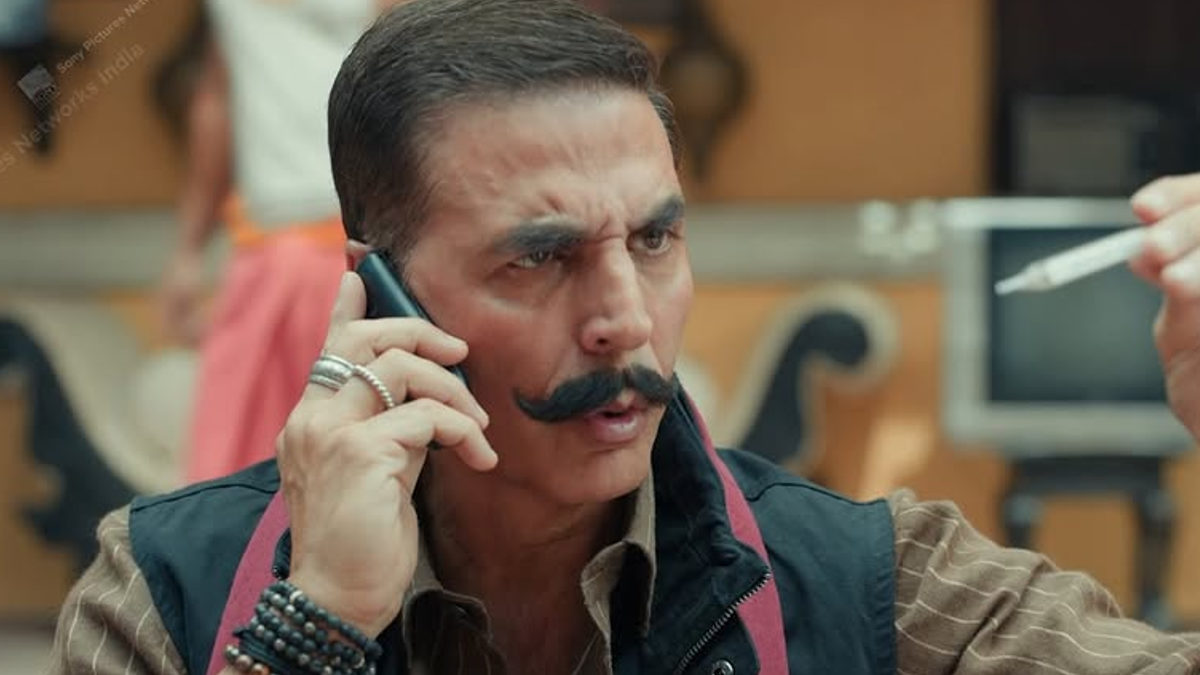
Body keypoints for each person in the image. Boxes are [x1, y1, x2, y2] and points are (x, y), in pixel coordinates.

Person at [49, 1, 1200, 672]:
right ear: (381, 294)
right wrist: (318, 625)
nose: (626, 320)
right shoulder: (167, 588)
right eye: (541, 257)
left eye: (654, 241)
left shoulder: (871, 583)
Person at [159, 0, 392, 483]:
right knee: (259, 474)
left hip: (354, 239)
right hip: (283, 245)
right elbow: (216, 101)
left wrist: (188, 253)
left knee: (273, 474)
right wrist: (187, 253)